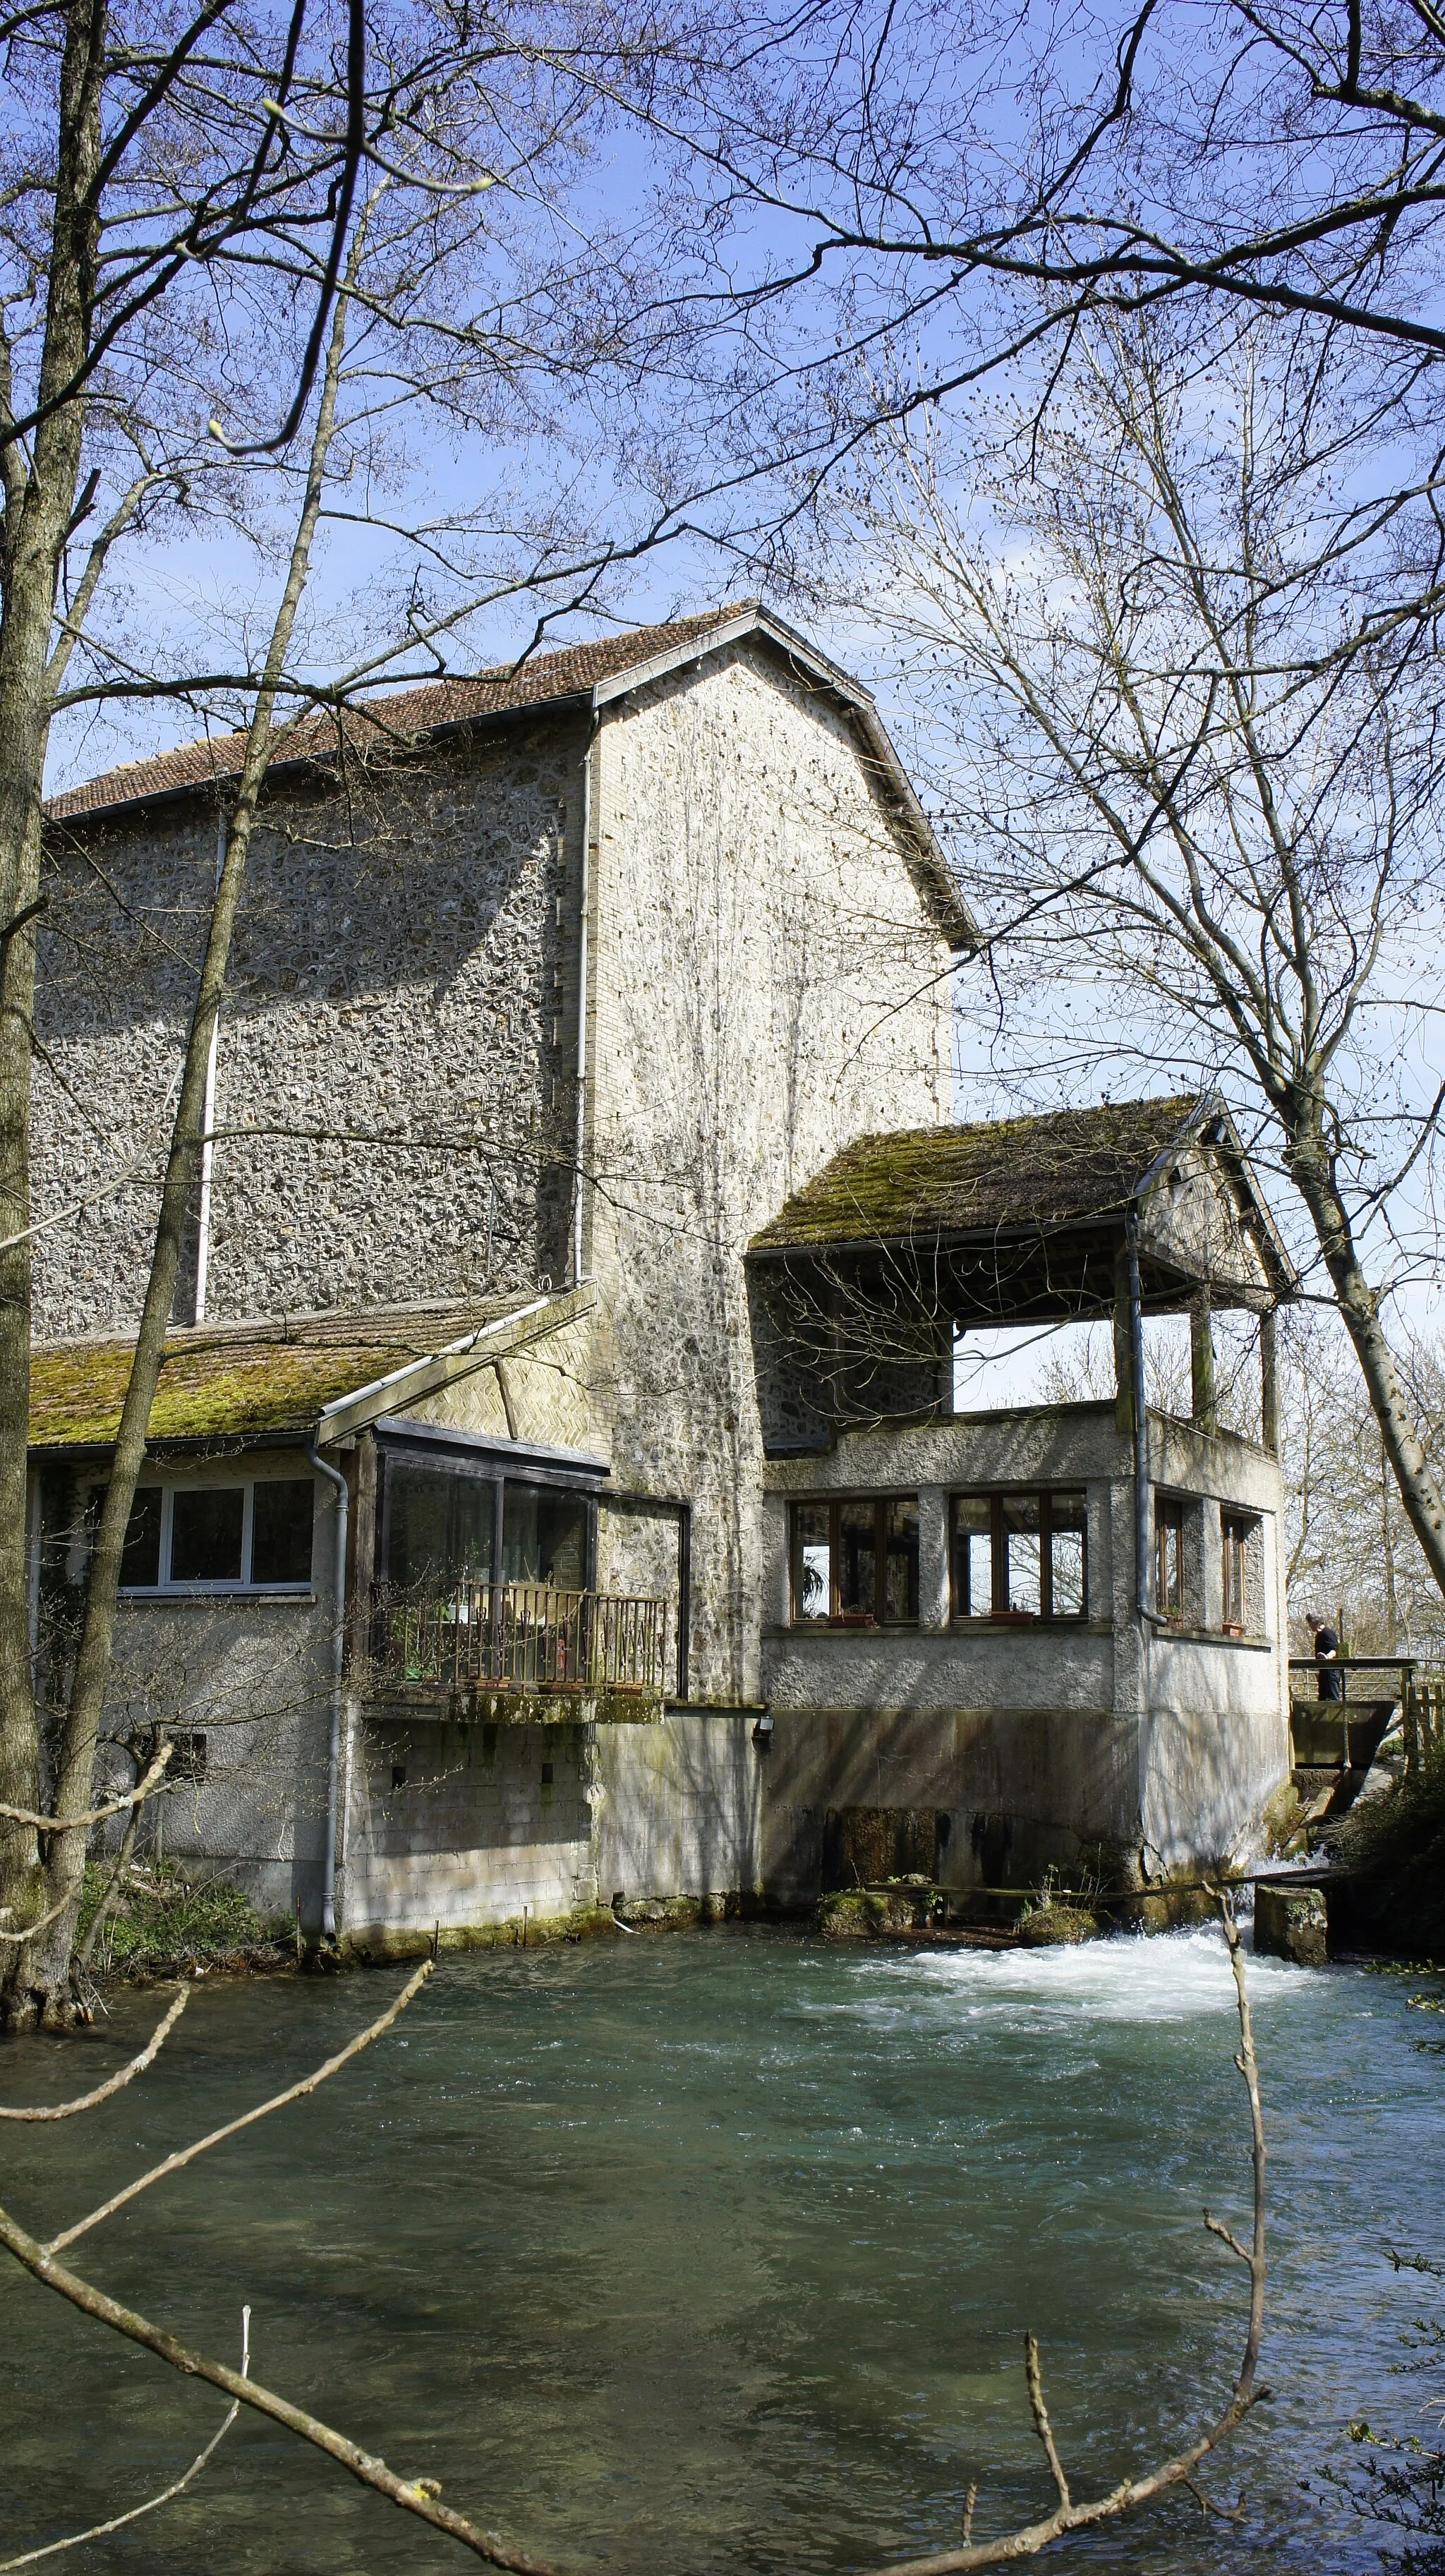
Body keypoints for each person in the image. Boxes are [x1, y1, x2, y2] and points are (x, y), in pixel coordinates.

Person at [1307, 1614, 1345, 1701]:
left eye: (1310, 1623)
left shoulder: (1327, 1633)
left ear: (1315, 1622)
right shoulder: (1319, 1635)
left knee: (1333, 1699)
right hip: (1324, 1671)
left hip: (1331, 1671)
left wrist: (1327, 1657)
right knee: (1323, 1699)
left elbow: (1335, 1649)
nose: (1309, 1626)